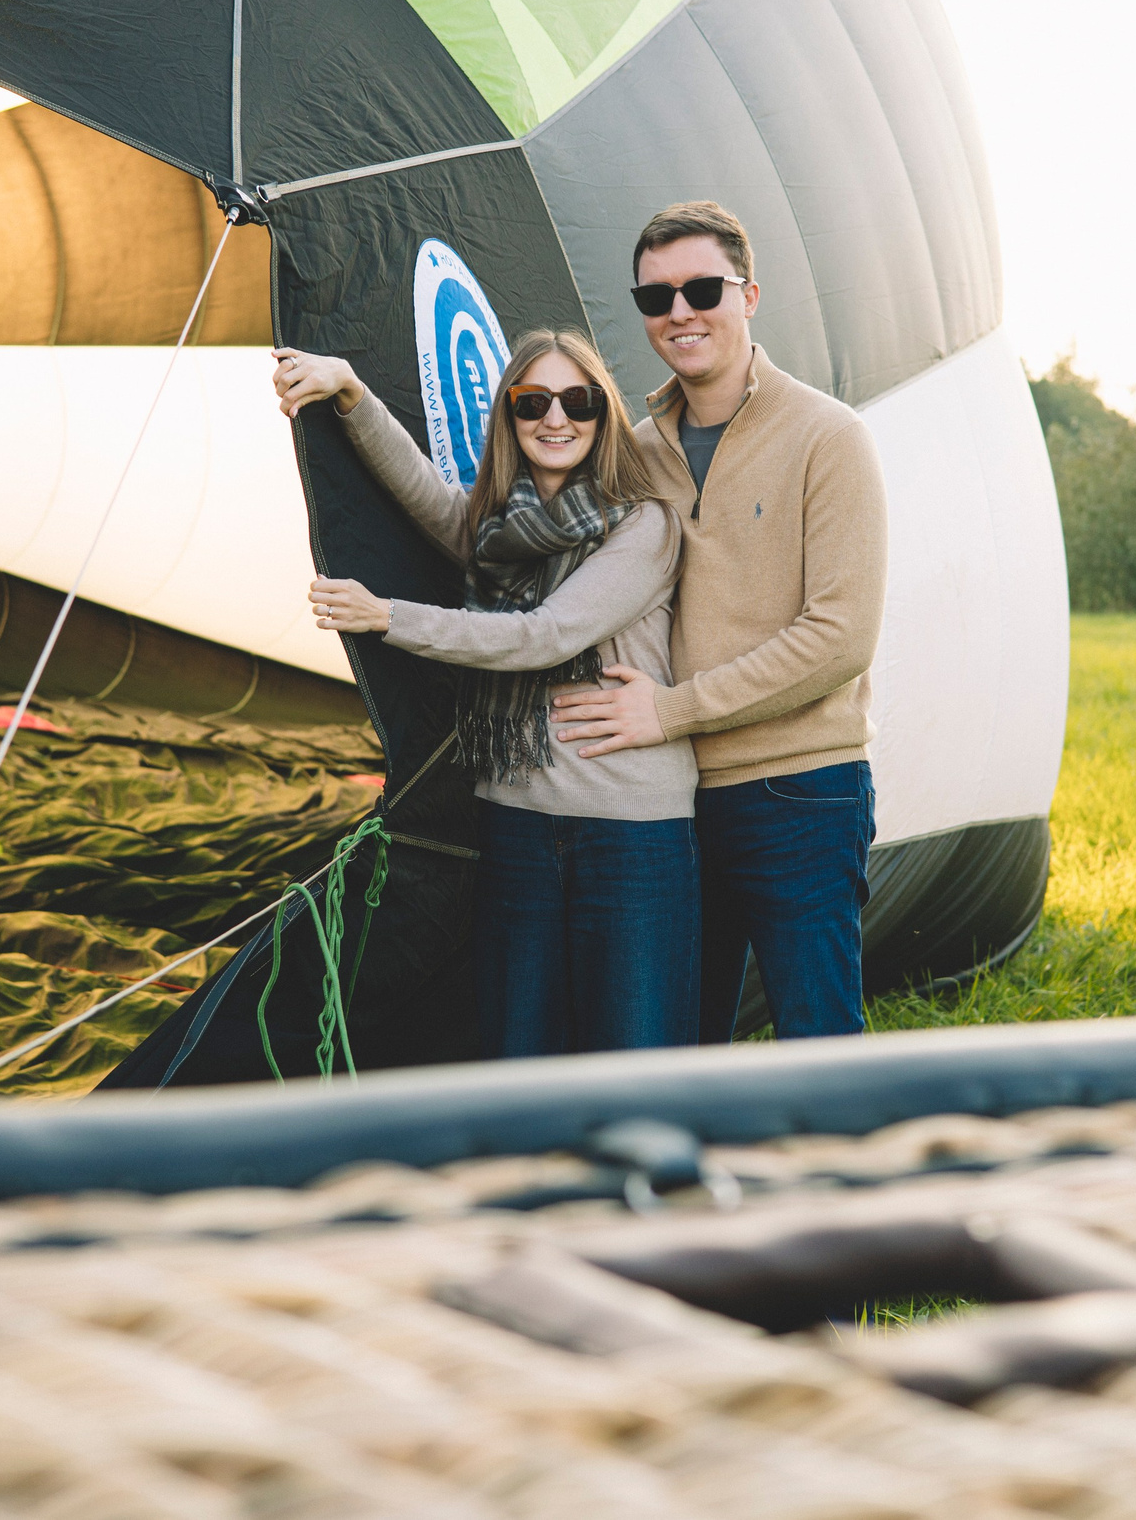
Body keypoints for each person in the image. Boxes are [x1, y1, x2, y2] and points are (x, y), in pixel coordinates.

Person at [271, 330, 699, 1056]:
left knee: (632, 1053)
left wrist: (388, 616)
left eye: (578, 401)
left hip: (628, 834)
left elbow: (546, 634)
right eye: (533, 402)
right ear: (509, 415)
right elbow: (432, 500)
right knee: (518, 1050)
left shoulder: (643, 524)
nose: (555, 418)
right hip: (517, 822)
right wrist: (351, 393)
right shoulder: (503, 528)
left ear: (604, 415)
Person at [549, 201, 888, 1043]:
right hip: (672, 799)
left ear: (750, 295)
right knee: (683, 1044)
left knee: (818, 1042)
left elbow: (840, 636)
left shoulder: (829, 437)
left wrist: (671, 709)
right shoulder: (634, 451)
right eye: (655, 297)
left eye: (702, 289)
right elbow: (522, 533)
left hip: (801, 789)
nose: (680, 312)